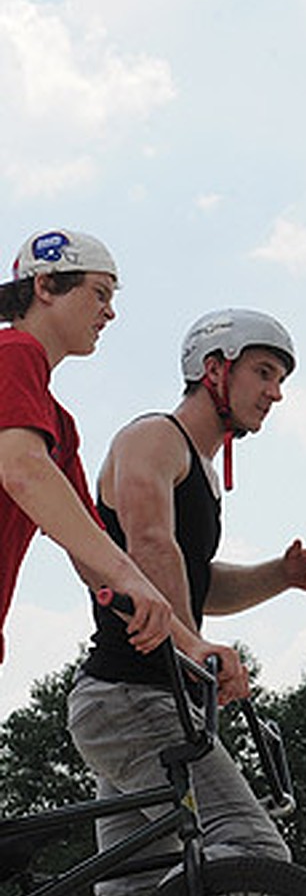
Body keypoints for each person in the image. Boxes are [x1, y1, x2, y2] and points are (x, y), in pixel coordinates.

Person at [61, 308, 306, 896]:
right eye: (264, 373)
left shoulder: (201, 473)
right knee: (252, 851)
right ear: (214, 366)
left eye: (280, 380)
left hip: (137, 704)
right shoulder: (153, 438)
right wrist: (196, 654)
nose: (275, 393)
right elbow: (147, 547)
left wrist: (279, 578)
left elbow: (193, 580)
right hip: (136, 699)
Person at [0, 228, 174, 659]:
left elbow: (94, 557)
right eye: (100, 293)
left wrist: (191, 644)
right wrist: (128, 578)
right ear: (45, 286)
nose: (110, 313)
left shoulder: (56, 424)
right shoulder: (12, 352)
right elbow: (22, 471)